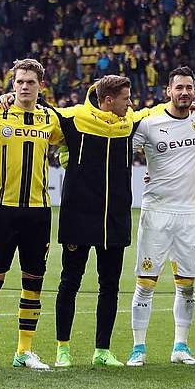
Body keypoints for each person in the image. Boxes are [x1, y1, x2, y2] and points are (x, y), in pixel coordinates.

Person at [0, 59, 63, 371]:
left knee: (33, 282)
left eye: (30, 82)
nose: (23, 87)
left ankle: (24, 351)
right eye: (19, 81)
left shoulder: (50, 118)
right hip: (3, 210)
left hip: (38, 212)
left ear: (40, 86)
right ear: (12, 84)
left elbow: (68, 139)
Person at [50, 75, 139, 369]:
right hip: (78, 216)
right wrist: (7, 100)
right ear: (108, 100)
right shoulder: (74, 119)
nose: (131, 104)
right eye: (126, 99)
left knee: (110, 286)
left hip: (115, 219)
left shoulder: (129, 123)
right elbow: (42, 114)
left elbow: (158, 112)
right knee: (69, 282)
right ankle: (63, 348)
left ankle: (102, 349)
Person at [126, 67, 195, 366]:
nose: (184, 92)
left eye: (189, 87)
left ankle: (181, 347)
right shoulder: (150, 124)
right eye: (179, 88)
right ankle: (138, 348)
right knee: (146, 281)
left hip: (188, 214)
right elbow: (123, 152)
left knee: (187, 284)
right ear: (168, 91)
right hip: (157, 212)